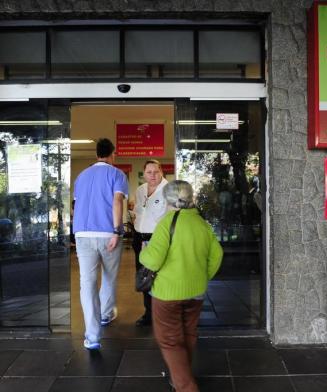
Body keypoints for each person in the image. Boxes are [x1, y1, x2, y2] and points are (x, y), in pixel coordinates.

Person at [140, 180, 223, 392]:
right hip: (195, 292)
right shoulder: (201, 223)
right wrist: (202, 277)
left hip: (168, 293)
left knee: (169, 341)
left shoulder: (167, 222)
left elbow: (153, 260)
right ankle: (178, 377)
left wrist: (144, 250)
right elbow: (217, 254)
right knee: (188, 334)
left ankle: (185, 386)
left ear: (168, 200)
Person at [73, 138, 128, 350]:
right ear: (112, 154)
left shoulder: (81, 176)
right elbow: (116, 201)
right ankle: (105, 314)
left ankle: (93, 336)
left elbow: (77, 205)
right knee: (109, 276)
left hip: (83, 234)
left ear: (96, 153)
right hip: (108, 234)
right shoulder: (117, 174)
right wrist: (116, 230)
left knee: (87, 283)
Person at [132, 159, 168, 326]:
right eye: (149, 172)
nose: (152, 175)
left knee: (161, 276)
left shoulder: (168, 190)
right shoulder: (140, 190)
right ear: (144, 173)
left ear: (161, 171)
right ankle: (149, 313)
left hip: (158, 238)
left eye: (156, 172)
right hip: (139, 238)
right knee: (144, 276)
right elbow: (138, 212)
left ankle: (163, 313)